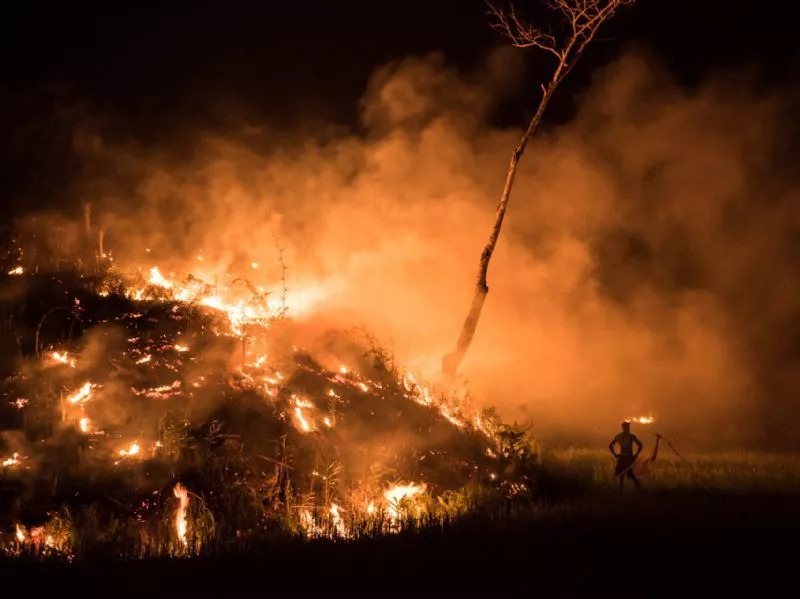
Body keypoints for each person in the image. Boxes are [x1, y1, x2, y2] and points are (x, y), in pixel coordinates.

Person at [608, 421, 643, 489]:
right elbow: (610, 445)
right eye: (626, 427)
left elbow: (640, 445)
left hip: (627, 458)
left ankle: (637, 486)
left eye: (628, 427)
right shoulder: (624, 436)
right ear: (623, 428)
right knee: (623, 475)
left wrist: (636, 455)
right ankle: (624, 490)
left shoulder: (630, 436)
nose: (628, 428)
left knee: (629, 475)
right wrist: (615, 454)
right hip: (624, 458)